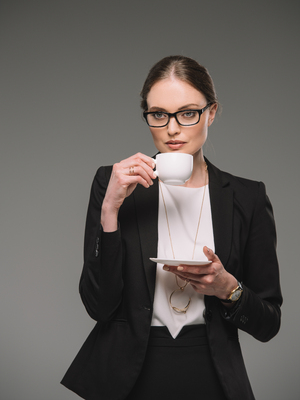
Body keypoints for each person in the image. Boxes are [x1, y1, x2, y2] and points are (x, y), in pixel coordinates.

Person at [61, 56, 282, 400]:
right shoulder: (113, 182)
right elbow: (99, 307)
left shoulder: (247, 196)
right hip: (128, 374)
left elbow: (268, 324)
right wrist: (110, 208)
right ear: (147, 116)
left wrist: (229, 289)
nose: (173, 128)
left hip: (212, 370)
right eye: (159, 114)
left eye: (188, 113)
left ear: (210, 113)